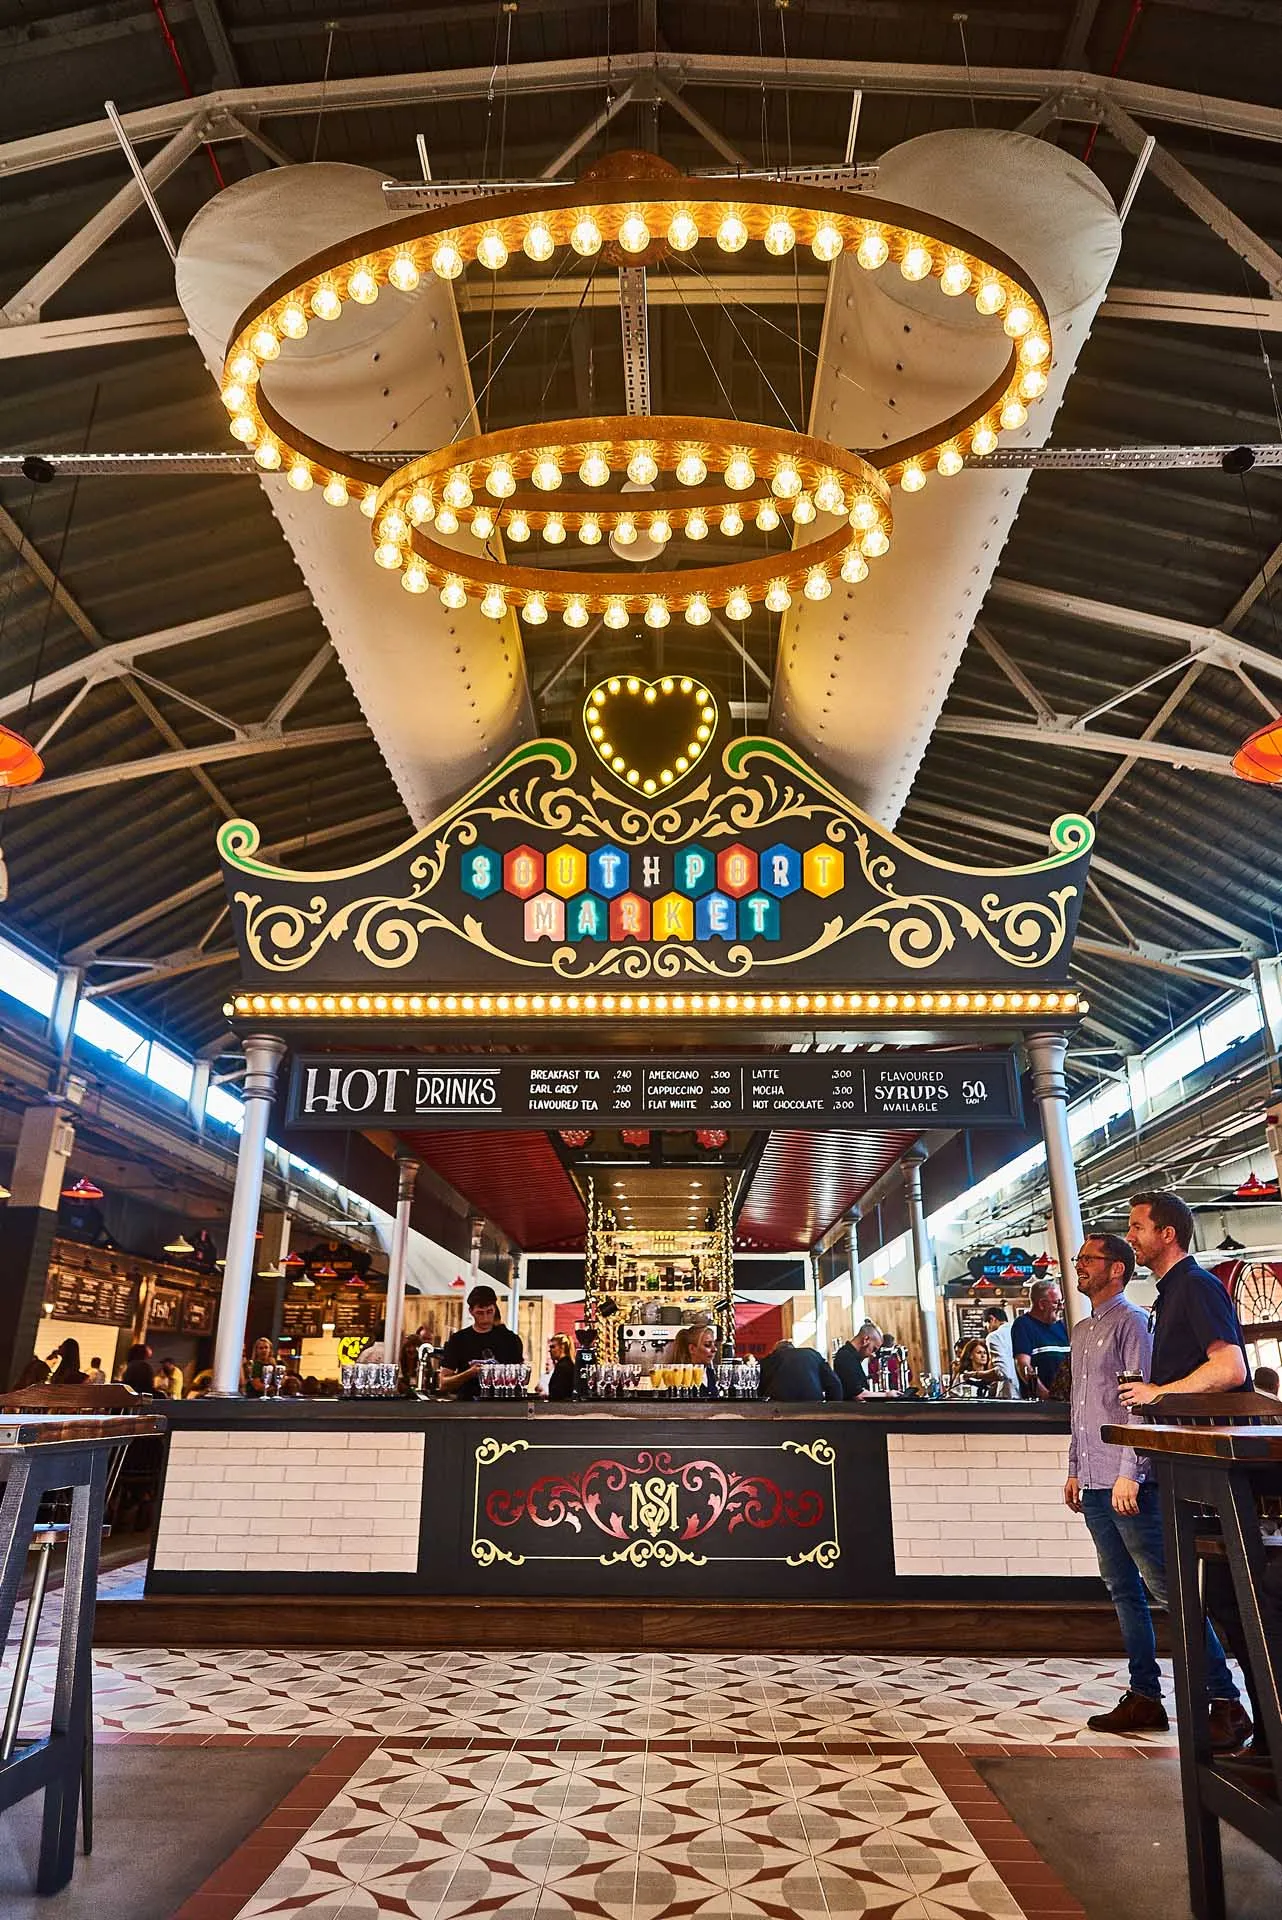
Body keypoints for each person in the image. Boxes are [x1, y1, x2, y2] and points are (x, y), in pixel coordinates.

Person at [1065, 1230, 1246, 1738]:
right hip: (1095, 1477)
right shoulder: (1081, 1331)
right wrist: (1075, 1466)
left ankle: (1225, 1700)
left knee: (1167, 1589)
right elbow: (1081, 1410)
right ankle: (1144, 1695)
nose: (1078, 1266)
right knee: (1123, 1590)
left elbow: (1142, 1403)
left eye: (1088, 1259)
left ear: (1116, 1269)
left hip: (1129, 1480)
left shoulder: (1135, 1324)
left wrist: (1131, 1470)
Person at [1119, 1190, 1257, 1757]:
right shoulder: (1170, 1293)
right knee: (1221, 1601)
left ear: (1167, 1233)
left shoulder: (1196, 1286)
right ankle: (1240, 1717)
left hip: (1216, 1473)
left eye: (1137, 1226)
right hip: (1192, 1473)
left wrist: (1158, 1394)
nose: (1131, 1236)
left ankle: (1242, 1716)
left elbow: (1230, 1367)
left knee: (1233, 1599)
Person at [438, 1284, 524, 1398]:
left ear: (495, 1308)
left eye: (489, 1312)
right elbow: (444, 1383)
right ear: (471, 1311)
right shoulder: (459, 1340)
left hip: (502, 1405)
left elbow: (519, 1379)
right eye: (480, 1313)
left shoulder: (511, 1339)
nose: (485, 1318)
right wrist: (469, 1374)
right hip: (468, 1406)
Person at [1011, 1278, 1071, 1399]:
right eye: (1056, 1302)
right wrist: (1045, 1396)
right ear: (1042, 1304)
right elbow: (1023, 1364)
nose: (1061, 1307)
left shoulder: (1063, 1326)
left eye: (1061, 1302)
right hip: (1043, 1405)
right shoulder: (1023, 1325)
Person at [760, 1338, 844, 1403]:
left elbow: (758, 1391)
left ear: (775, 1351)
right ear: (794, 1348)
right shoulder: (812, 1354)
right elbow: (835, 1384)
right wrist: (830, 1408)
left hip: (778, 1410)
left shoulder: (768, 1360)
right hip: (813, 1407)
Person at [833, 1321, 881, 1400]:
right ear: (866, 1340)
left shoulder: (851, 1357)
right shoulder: (845, 1357)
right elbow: (858, 1395)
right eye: (873, 1349)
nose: (873, 1354)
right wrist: (887, 1394)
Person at [982, 1305, 1019, 1398]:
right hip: (1029, 1392)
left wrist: (976, 1374)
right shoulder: (1019, 1331)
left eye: (986, 1326)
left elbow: (1003, 1372)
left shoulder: (994, 1336)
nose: (987, 1330)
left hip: (1010, 1393)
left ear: (992, 1319)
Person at [545, 1332, 577, 1401]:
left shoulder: (563, 1367)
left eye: (553, 1347)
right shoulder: (567, 1364)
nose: (549, 1350)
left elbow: (558, 1394)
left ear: (562, 1347)